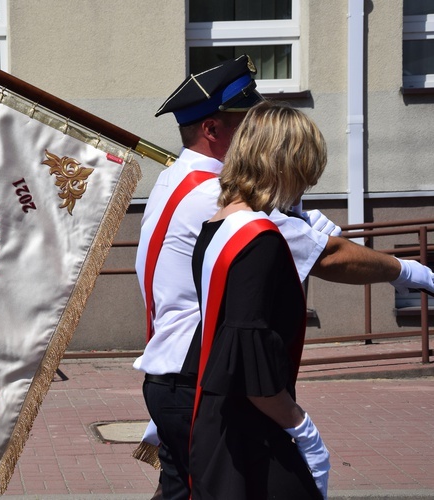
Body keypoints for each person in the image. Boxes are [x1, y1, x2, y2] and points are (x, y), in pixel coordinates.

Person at [133, 55, 434, 500]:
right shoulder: (224, 203)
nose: (257, 133)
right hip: (210, 379)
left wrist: (295, 213)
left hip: (176, 373)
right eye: (247, 122)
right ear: (213, 130)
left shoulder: (181, 178)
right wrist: (410, 271)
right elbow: (328, 256)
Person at [187, 100, 329, 499]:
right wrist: (303, 428)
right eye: (305, 168)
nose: (309, 183)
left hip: (221, 422)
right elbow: (251, 366)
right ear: (284, 165)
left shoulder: (219, 224)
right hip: (251, 434)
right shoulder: (260, 238)